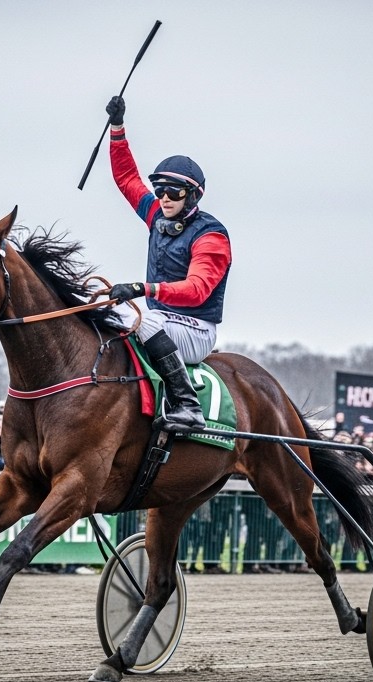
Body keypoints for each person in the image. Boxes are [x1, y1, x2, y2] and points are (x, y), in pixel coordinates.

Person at [103, 94, 233, 432]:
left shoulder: (212, 236)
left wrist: (142, 288)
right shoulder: (156, 215)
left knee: (142, 320)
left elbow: (197, 289)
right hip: (162, 318)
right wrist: (117, 128)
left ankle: (188, 405)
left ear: (192, 196)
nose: (163, 198)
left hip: (197, 329)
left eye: (173, 192)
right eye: (160, 189)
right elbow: (127, 179)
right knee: (102, 305)